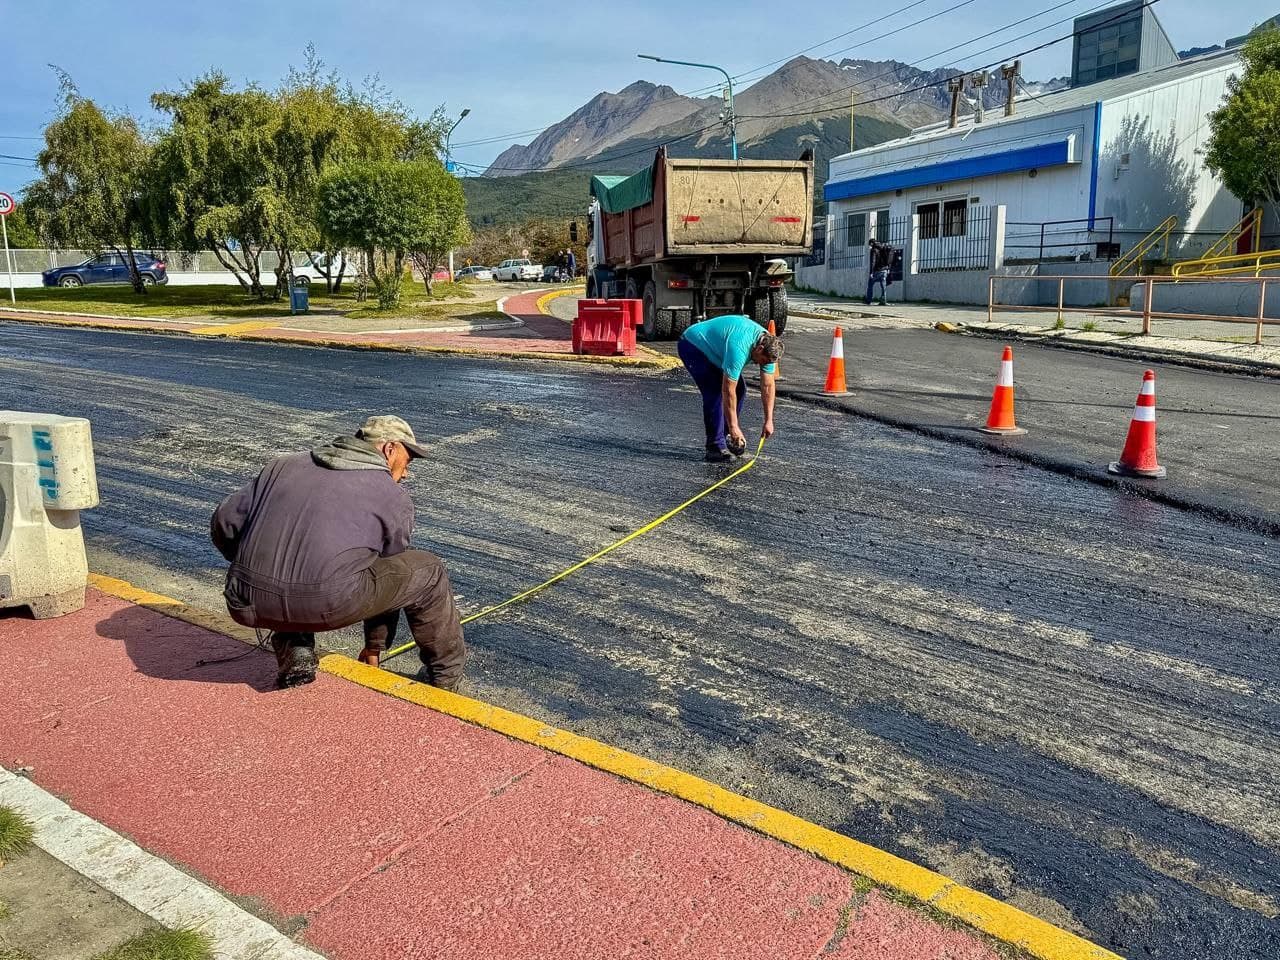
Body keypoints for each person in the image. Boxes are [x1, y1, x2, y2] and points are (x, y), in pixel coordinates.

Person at [210, 415, 466, 690]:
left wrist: (250, 571)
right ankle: (445, 679)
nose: (406, 473)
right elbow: (387, 566)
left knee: (297, 564)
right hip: (329, 604)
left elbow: (223, 523)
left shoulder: (282, 464)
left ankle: (294, 643)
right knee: (428, 571)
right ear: (389, 449)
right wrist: (374, 646)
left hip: (243, 601)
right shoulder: (392, 495)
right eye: (408, 461)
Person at [677, 314, 784, 462]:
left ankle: (729, 437)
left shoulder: (769, 349)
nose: (762, 365)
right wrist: (735, 426)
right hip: (693, 344)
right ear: (759, 349)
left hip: (716, 352)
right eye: (763, 361)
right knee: (714, 392)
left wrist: (769, 420)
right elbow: (728, 390)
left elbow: (767, 385)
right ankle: (715, 447)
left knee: (740, 389)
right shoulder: (739, 347)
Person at [866, 238, 894, 306]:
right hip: (884, 270)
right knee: (883, 286)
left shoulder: (874, 250)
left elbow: (873, 261)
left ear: (871, 243)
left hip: (877, 271)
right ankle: (883, 301)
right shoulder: (883, 247)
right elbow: (888, 259)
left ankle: (868, 300)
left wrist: (871, 272)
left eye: (869, 245)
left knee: (870, 285)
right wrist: (888, 268)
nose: (869, 246)